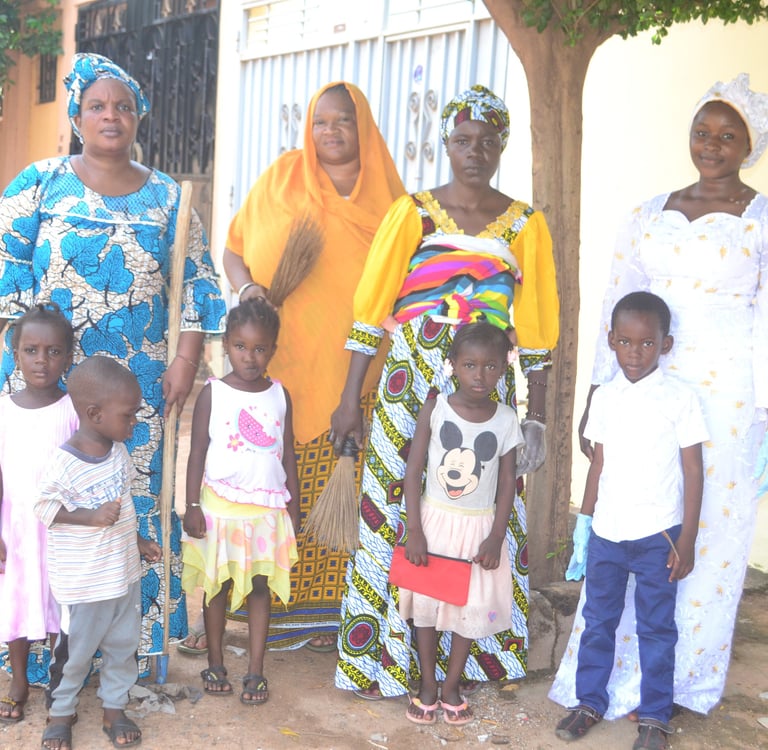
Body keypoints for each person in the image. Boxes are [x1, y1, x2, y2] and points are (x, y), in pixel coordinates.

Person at [549, 73, 768, 718]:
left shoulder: (762, 218)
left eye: (727, 136)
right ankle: (601, 681)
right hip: (641, 377)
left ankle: (679, 684)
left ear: (750, 144)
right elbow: (615, 306)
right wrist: (598, 391)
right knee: (629, 517)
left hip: (727, 394)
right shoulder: (647, 212)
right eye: (702, 131)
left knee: (708, 531)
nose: (711, 145)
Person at [0, 53, 226, 677]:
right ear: (76, 116)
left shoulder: (170, 198)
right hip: (48, 388)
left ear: (138, 118)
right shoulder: (37, 185)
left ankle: (128, 654)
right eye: (96, 106)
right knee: (48, 503)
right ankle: (41, 657)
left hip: (137, 391)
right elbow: (8, 278)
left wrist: (185, 360)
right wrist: (18, 371)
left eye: (123, 107)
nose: (110, 116)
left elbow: (197, 283)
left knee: (130, 504)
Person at [331, 84, 560, 699]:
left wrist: (535, 417)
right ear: (446, 145)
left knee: (479, 509)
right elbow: (371, 312)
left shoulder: (526, 225)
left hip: (486, 392)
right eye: (463, 140)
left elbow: (536, 328)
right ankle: (385, 660)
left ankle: (470, 662)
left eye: (487, 142)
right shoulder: (412, 213)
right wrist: (351, 398)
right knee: (396, 507)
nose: (474, 152)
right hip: (408, 385)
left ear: (502, 146)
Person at [211, 80, 404, 654]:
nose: (330, 131)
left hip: (356, 373)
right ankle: (266, 610)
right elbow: (234, 249)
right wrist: (248, 288)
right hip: (279, 367)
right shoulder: (281, 179)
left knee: (345, 488)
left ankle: (334, 616)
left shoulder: (392, 200)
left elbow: (408, 281)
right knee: (269, 487)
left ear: (362, 125)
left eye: (343, 120)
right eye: (321, 121)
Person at [553, 293, 708, 750]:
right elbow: (598, 464)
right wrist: (585, 524)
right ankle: (589, 702)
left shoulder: (680, 398)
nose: (634, 353)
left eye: (646, 343)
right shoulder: (604, 397)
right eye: (625, 342)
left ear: (665, 344)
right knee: (598, 621)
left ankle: (655, 716)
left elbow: (693, 470)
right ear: (611, 341)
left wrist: (687, 538)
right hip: (608, 533)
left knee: (656, 628)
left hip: (660, 535)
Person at [401, 322, 524, 726]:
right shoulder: (435, 409)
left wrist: (496, 536)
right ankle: (428, 685)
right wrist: (415, 530)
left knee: (468, 611)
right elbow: (413, 470)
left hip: (478, 531)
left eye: (490, 366)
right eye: (470, 365)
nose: (480, 375)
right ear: (453, 364)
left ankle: (451, 686)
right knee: (426, 608)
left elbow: (507, 482)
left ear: (503, 368)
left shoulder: (506, 420)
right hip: (434, 524)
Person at [34, 356, 161, 750]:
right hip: (84, 586)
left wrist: (137, 542)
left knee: (122, 649)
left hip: (123, 577)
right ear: (94, 414)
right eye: (128, 414)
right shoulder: (64, 462)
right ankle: (60, 714)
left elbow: (123, 508)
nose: (134, 421)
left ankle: (113, 708)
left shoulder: (118, 452)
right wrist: (88, 517)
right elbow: (44, 508)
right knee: (74, 656)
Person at [181, 298, 300, 705]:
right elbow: (197, 451)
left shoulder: (280, 396)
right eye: (240, 347)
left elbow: (288, 454)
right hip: (219, 509)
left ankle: (256, 670)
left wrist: (294, 507)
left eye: (260, 348)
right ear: (226, 345)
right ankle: (215, 663)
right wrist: (192, 506)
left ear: (273, 350)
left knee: (260, 588)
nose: (249, 357)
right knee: (217, 586)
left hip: (266, 513)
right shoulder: (213, 394)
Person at [0, 305, 78, 724]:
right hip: (16, 530)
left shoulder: (74, 410)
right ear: (15, 355)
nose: (41, 360)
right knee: (18, 601)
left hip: (62, 530)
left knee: (59, 608)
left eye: (53, 351)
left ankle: (58, 684)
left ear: (68, 357)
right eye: (31, 350)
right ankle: (17, 680)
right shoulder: (3, 410)